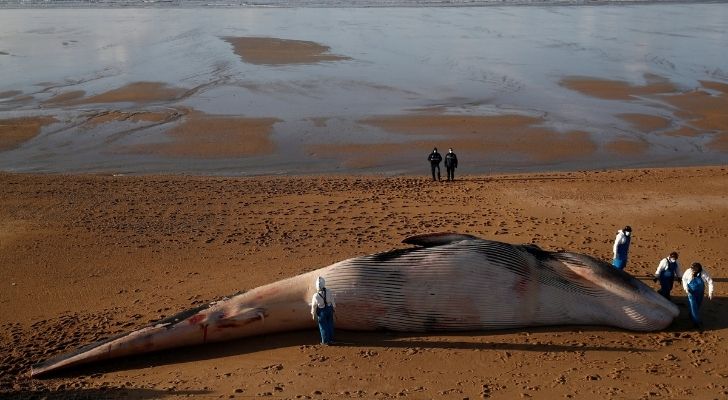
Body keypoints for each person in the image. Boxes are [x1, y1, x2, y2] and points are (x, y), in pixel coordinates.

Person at [681, 262, 714, 331]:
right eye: (692, 269)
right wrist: (686, 289)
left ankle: (691, 315)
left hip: (700, 292)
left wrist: (710, 292)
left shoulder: (704, 273)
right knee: (694, 306)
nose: (693, 271)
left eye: (695, 270)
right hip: (691, 292)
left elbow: (710, 282)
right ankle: (696, 322)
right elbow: (684, 279)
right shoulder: (688, 271)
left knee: (698, 305)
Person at [310, 276, 336, 345]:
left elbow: (314, 306)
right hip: (329, 309)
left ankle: (325, 341)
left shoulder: (315, 295)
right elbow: (332, 300)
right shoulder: (329, 291)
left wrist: (313, 314)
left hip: (321, 312)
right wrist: (334, 308)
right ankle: (331, 340)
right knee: (330, 324)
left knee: (323, 326)